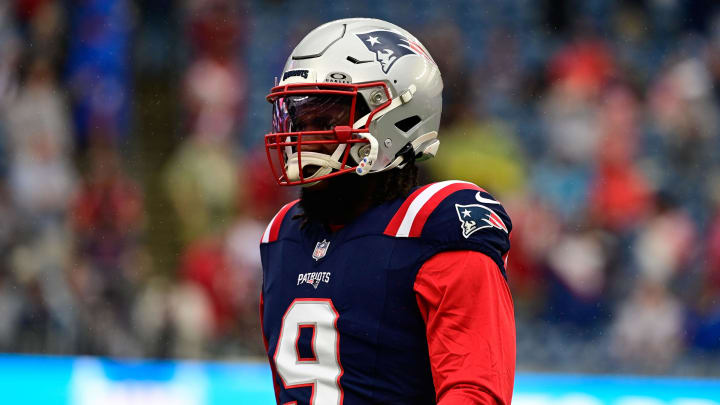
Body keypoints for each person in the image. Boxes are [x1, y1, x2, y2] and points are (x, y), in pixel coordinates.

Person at [259, 18, 515, 405]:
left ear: (396, 118)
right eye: (299, 120)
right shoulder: (283, 235)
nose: (303, 138)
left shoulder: (435, 224)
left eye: (326, 121)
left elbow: (474, 394)